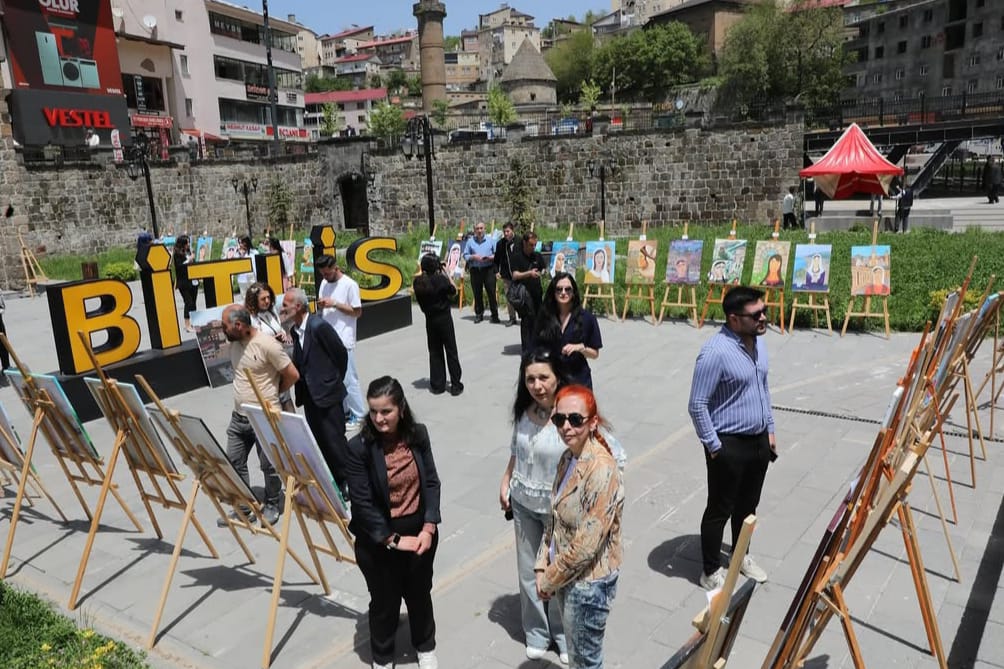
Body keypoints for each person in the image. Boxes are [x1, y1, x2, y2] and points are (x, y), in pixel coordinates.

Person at [345, 377, 442, 669]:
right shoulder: (358, 448)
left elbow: (432, 482)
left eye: (385, 411)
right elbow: (362, 504)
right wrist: (394, 541)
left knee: (419, 593)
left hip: (419, 531)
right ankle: (383, 656)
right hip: (379, 539)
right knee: (385, 601)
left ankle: (425, 646)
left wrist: (429, 526)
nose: (379, 418)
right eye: (373, 411)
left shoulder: (418, 435)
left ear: (400, 408)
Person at [687, 286, 776, 591]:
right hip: (728, 444)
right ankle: (710, 569)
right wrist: (715, 448)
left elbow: (763, 387)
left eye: (764, 311)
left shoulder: (758, 344)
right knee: (720, 509)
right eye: (756, 315)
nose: (764, 318)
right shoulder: (715, 352)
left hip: (759, 441)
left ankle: (741, 557)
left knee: (748, 507)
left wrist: (771, 430)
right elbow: (697, 405)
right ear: (734, 319)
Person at [535, 385, 624, 669]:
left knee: (585, 662)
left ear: (593, 422)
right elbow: (554, 517)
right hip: (567, 576)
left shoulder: (601, 469)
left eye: (575, 419)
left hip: (587, 585)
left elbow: (587, 546)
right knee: (579, 657)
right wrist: (541, 563)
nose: (566, 426)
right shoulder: (568, 457)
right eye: (559, 419)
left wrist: (548, 579)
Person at [500, 350, 570, 664]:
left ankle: (563, 634)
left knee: (558, 573)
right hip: (523, 501)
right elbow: (516, 449)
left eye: (544, 377)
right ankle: (537, 633)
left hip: (558, 511)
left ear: (558, 377)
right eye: (530, 379)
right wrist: (505, 480)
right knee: (529, 571)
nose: (537, 385)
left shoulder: (572, 411)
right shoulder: (522, 409)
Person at [218, 304, 299, 527]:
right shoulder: (234, 342)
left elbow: (292, 374)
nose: (221, 330)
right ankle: (244, 507)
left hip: (264, 416)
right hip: (239, 417)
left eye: (224, 326)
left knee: (269, 465)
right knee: (234, 461)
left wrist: (273, 391)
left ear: (239, 325)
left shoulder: (267, 345)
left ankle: (272, 504)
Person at [280, 287, 350, 488]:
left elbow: (340, 354)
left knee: (335, 441)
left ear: (298, 306)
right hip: (311, 397)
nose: (282, 309)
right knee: (320, 440)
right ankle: (334, 481)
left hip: (328, 395)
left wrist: (333, 381)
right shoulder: (294, 330)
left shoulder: (318, 326)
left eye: (285, 305)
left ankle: (347, 481)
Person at [316, 254, 366, 429]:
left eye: (328, 273)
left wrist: (335, 304)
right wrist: (323, 306)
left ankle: (360, 416)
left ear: (336, 268)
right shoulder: (324, 283)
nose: (326, 277)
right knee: (335, 379)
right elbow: (325, 306)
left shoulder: (350, 285)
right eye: (323, 274)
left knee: (349, 379)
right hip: (327, 337)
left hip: (344, 338)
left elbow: (357, 312)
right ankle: (345, 412)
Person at [533, 273, 602, 388]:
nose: (563, 293)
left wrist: (581, 348)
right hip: (552, 380)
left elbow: (595, 354)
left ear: (574, 292)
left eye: (568, 289)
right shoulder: (544, 317)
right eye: (559, 289)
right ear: (553, 292)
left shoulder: (587, 318)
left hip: (578, 379)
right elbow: (534, 346)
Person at [413, 254, 463, 396]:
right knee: (451, 350)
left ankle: (437, 384)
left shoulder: (418, 282)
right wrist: (447, 273)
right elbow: (453, 291)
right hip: (444, 318)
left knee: (435, 352)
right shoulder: (440, 280)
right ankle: (455, 384)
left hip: (430, 320)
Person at [245, 282, 294, 410]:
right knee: (279, 398)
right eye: (263, 299)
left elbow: (279, 328)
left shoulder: (272, 311)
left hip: (279, 358)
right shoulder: (250, 318)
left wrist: (282, 335)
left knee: (285, 396)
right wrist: (272, 339)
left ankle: (292, 427)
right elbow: (253, 341)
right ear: (254, 300)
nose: (267, 301)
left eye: (268, 297)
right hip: (266, 364)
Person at [509, 231, 547, 354]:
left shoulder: (537, 256)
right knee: (526, 321)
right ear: (524, 243)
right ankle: (526, 349)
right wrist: (529, 273)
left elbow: (543, 268)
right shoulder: (517, 257)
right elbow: (515, 275)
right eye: (531, 244)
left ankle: (537, 345)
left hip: (537, 293)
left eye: (535, 245)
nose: (533, 247)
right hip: (523, 295)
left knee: (538, 320)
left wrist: (543, 272)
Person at [463, 221, 500, 324]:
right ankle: (479, 314)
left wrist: (490, 257)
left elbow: (497, 255)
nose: (479, 230)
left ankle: (495, 315)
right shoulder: (470, 242)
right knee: (477, 293)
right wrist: (473, 257)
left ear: (485, 229)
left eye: (481, 228)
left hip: (488, 269)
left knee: (491, 293)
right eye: (477, 229)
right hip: (475, 270)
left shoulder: (491, 241)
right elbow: (465, 255)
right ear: (475, 230)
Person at [495, 222, 519, 326]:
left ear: (512, 230)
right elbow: (496, 260)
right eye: (504, 231)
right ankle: (512, 317)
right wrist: (496, 271)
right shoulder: (500, 244)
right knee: (509, 298)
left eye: (508, 231)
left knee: (521, 296)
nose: (506, 233)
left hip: (520, 274)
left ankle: (526, 317)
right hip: (506, 275)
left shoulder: (520, 241)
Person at [173, 235, 198, 332]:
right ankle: (187, 325)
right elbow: (179, 267)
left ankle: (194, 323)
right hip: (183, 282)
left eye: (189, 242)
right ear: (182, 244)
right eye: (187, 243)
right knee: (188, 302)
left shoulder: (189, 252)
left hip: (193, 280)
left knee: (194, 303)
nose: (188, 244)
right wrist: (189, 259)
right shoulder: (177, 254)